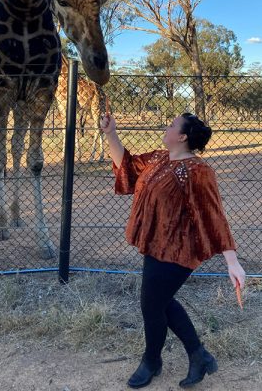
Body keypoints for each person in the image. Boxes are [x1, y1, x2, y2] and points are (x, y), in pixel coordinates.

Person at [100, 112, 246, 389]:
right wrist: (111, 134)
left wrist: (232, 261)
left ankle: (152, 361)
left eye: (171, 125)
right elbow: (127, 167)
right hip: (155, 245)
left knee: (151, 304)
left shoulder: (198, 171)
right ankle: (198, 355)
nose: (165, 128)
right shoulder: (159, 158)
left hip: (180, 250)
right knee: (160, 302)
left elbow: (214, 215)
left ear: (182, 137)